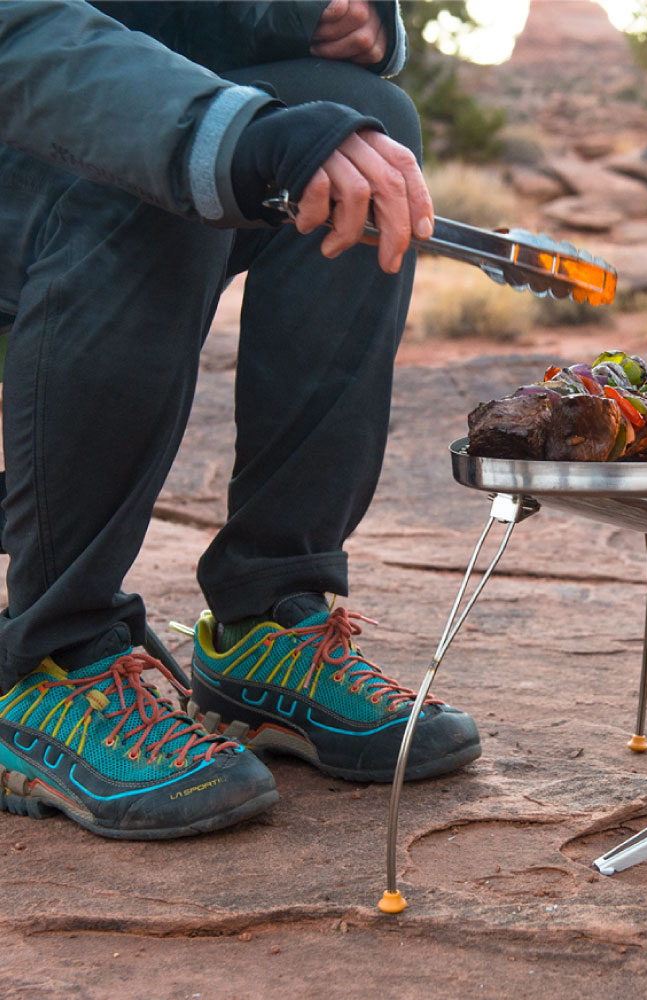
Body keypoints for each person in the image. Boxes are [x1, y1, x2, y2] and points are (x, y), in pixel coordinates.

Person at [0, 0, 480, 841]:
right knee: (159, 163)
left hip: (118, 100)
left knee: (371, 127)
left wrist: (358, 21)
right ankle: (51, 658)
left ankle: (268, 616)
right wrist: (235, 134)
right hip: (37, 107)